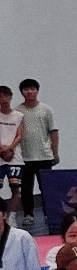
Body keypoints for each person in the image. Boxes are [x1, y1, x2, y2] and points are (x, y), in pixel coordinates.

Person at [15, 78, 58, 228]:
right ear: (22, 92)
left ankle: (48, 213)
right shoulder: (17, 111)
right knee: (26, 188)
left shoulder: (46, 109)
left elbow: (53, 132)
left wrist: (55, 153)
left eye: (32, 89)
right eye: (26, 89)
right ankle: (28, 214)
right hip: (24, 157)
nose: (29, 92)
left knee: (46, 187)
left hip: (44, 156)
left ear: (37, 91)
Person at [0, 85, 23, 226]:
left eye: (6, 95)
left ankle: (12, 217)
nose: (3, 99)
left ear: (10, 97)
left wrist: (9, 148)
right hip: (0, 157)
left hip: (15, 157)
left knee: (15, 188)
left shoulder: (19, 116)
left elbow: (19, 135)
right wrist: (1, 149)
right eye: (0, 96)